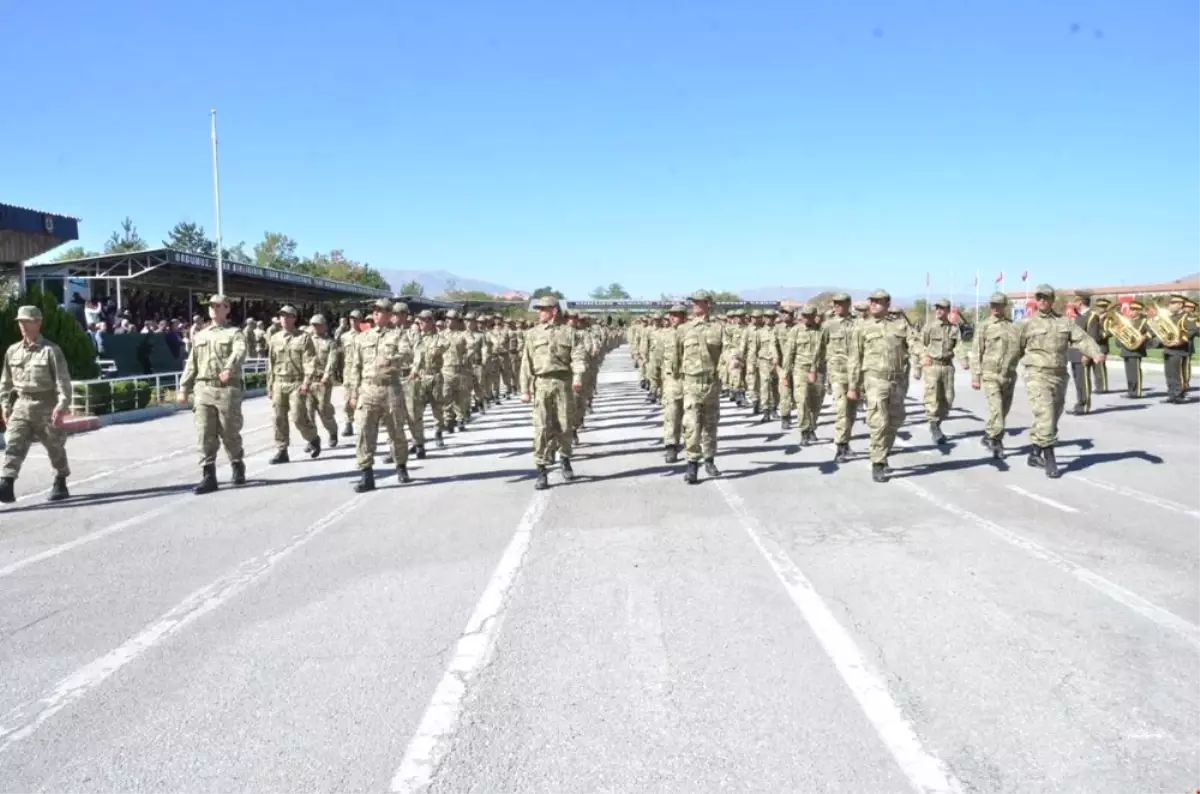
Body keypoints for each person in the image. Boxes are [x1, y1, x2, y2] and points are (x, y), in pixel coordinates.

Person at [1015, 285, 1106, 478]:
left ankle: (1035, 453)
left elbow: (1082, 339)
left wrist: (1095, 352)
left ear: (1052, 299)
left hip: (1059, 376)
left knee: (1052, 417)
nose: (1042, 301)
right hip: (1036, 375)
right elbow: (1015, 350)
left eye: (1046, 297)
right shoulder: (1026, 325)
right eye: (1039, 297)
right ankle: (1050, 460)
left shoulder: (1064, 323)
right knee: (1046, 416)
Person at [0, 305, 74, 503]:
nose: (22, 325)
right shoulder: (13, 351)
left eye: (26, 321)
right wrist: (5, 406)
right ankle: (6, 483)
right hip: (21, 404)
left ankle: (60, 479)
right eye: (20, 322)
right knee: (13, 443)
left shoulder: (51, 351)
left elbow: (62, 381)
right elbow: (6, 382)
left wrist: (61, 406)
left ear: (38, 322)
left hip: (46, 404)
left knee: (54, 447)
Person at [177, 294, 247, 494]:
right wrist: (184, 388)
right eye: (211, 306)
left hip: (226, 389)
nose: (214, 309)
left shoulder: (235, 333)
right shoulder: (201, 335)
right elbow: (192, 363)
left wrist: (229, 368)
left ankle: (237, 463)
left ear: (227, 309)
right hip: (203, 389)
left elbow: (240, 351)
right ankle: (209, 475)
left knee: (229, 432)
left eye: (219, 306)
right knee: (205, 433)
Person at [519, 296, 585, 490]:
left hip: (563, 383)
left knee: (565, 425)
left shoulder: (570, 333)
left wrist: (578, 377)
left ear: (554, 311)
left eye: (543, 309)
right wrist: (525, 390)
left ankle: (565, 459)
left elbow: (578, 356)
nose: (540, 313)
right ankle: (541, 469)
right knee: (541, 427)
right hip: (541, 383)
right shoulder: (532, 334)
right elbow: (526, 363)